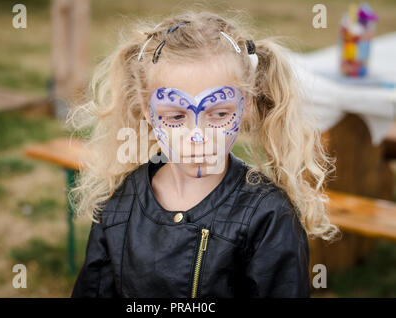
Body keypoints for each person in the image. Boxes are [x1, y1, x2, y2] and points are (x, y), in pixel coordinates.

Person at [68, 10, 340, 298]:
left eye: (219, 113)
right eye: (175, 116)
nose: (197, 136)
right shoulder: (121, 202)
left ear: (244, 106)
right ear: (148, 111)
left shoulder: (268, 215)